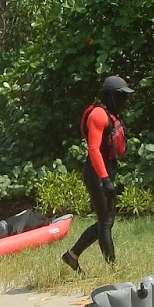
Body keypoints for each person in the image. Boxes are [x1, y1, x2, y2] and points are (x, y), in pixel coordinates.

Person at [62, 74, 132, 272]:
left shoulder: (110, 114)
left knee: (106, 221)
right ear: (111, 96)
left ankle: (72, 255)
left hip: (105, 171)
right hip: (96, 173)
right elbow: (93, 149)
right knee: (106, 223)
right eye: (121, 96)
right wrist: (105, 179)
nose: (124, 100)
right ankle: (113, 270)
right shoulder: (98, 115)